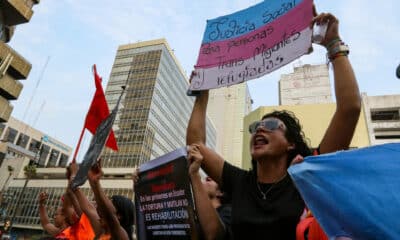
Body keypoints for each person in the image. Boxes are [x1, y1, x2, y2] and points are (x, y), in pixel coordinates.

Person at [186, 10, 361, 240]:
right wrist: (202, 93)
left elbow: (350, 109)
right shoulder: (240, 183)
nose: (259, 128)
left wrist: (333, 44)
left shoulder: (308, 175)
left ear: (290, 144)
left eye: (270, 124)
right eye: (256, 126)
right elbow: (196, 146)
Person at [188, 144, 231, 240]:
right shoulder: (194, 215)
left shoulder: (229, 212)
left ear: (220, 192)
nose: (206, 177)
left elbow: (214, 235)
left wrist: (195, 174)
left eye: (209, 180)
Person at [87, 160, 135, 240]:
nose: (106, 203)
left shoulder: (121, 236)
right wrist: (93, 181)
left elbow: (108, 214)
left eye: (110, 201)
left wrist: (96, 183)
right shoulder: (101, 231)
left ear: (119, 216)